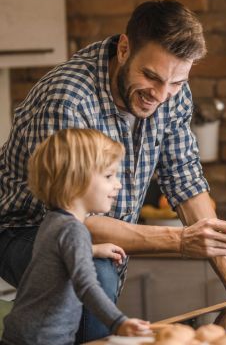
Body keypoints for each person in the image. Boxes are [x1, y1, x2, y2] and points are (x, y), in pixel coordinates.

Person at [0, 0, 226, 342]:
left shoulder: (172, 91)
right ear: (123, 48)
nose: (162, 95)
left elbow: (186, 181)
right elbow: (72, 219)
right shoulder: (68, 99)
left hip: (90, 230)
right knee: (96, 270)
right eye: (151, 76)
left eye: (176, 82)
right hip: (25, 230)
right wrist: (180, 240)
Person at [1, 129, 150, 344]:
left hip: (23, 333)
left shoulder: (53, 221)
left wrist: (94, 249)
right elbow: (87, 285)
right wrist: (119, 322)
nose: (117, 184)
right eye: (109, 176)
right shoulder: (74, 230)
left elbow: (53, 256)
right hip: (45, 339)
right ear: (75, 180)